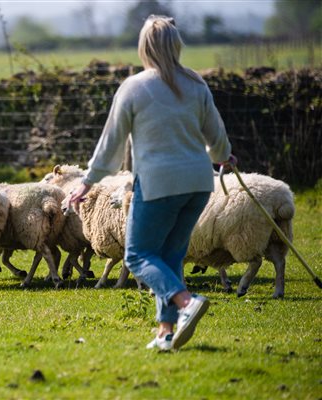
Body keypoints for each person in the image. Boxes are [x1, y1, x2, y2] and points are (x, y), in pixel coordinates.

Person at [68, 15, 236, 351]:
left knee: (138, 255)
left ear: (144, 47)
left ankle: (187, 303)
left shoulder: (134, 87)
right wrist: (224, 156)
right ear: (176, 45)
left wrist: (87, 182)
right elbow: (217, 138)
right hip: (199, 184)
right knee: (170, 256)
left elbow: (110, 145)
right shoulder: (196, 85)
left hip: (159, 184)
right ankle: (166, 332)